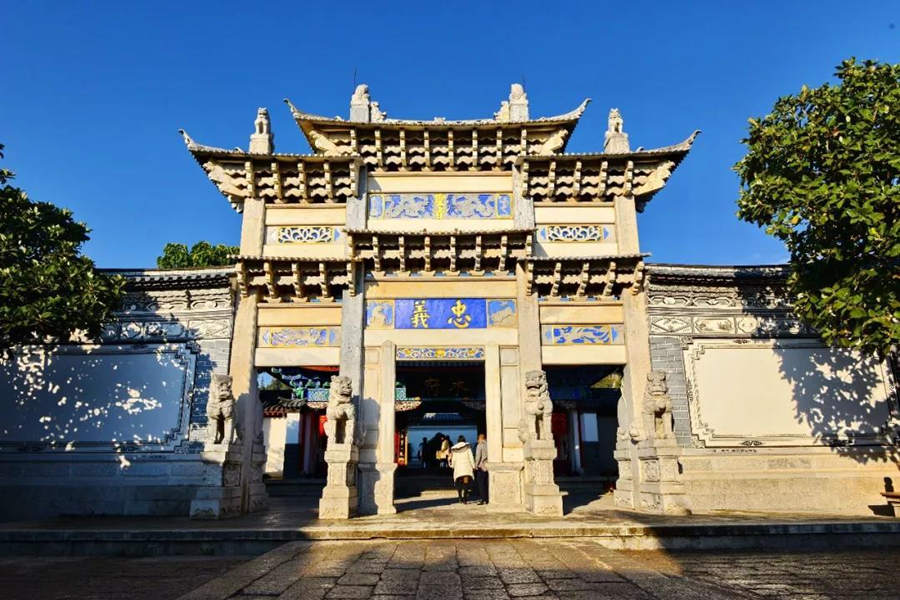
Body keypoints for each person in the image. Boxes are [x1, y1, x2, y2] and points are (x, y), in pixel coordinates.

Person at [448, 435, 475, 504]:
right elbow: (471, 458)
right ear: (464, 440)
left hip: (458, 469)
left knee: (459, 484)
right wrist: (473, 466)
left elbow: (454, 460)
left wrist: (452, 465)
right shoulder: (468, 448)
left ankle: (460, 497)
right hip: (466, 468)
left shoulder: (454, 449)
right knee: (466, 483)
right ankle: (465, 499)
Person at [474, 433, 488, 505]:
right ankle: (487, 498)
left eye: (478, 439)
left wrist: (475, 465)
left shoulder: (480, 445)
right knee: (486, 483)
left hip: (481, 466)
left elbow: (478, 456)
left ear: (480, 438)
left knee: (481, 484)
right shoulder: (488, 444)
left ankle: (483, 499)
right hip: (487, 466)